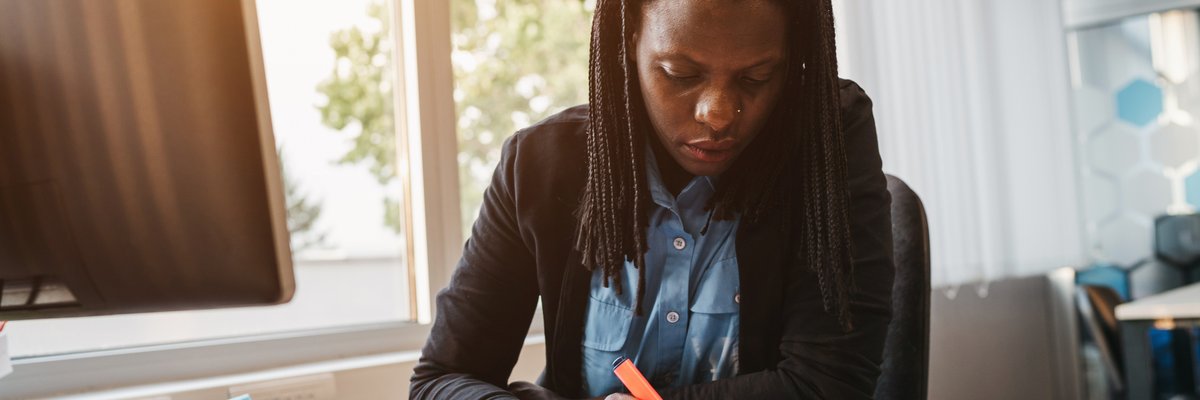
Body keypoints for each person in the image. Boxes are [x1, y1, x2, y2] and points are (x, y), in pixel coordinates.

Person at [410, 0, 894, 398]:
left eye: (756, 78)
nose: (718, 115)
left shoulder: (825, 141)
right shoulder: (539, 164)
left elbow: (830, 384)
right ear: (629, 46)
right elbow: (439, 380)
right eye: (680, 74)